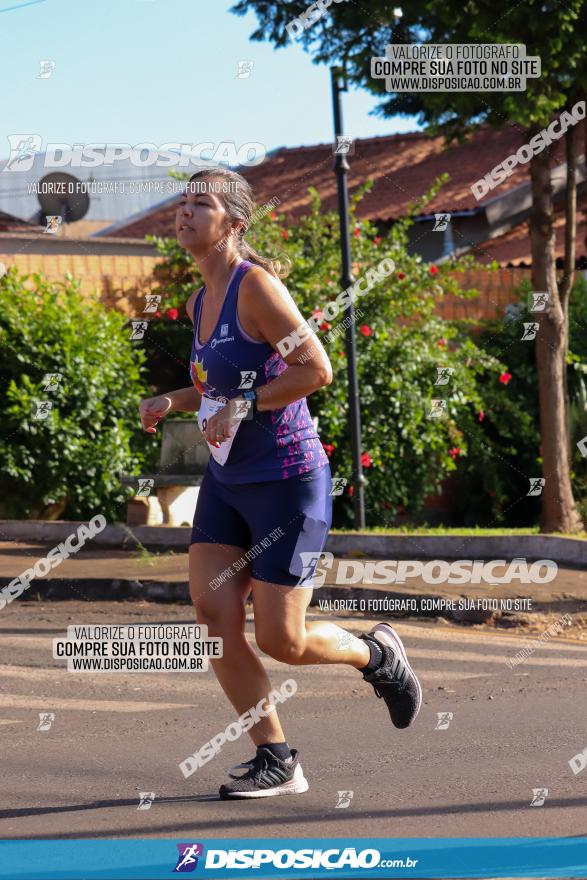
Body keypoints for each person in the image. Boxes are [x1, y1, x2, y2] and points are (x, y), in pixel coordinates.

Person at [139, 167, 422, 799]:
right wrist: (172, 398)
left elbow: (314, 369)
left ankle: (378, 657)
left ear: (233, 225)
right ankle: (276, 757)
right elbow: (221, 387)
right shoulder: (197, 300)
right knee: (213, 616)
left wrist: (242, 406)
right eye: (182, 203)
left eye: (201, 205)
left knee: (282, 639)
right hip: (228, 480)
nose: (184, 213)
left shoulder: (256, 288)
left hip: (287, 480)